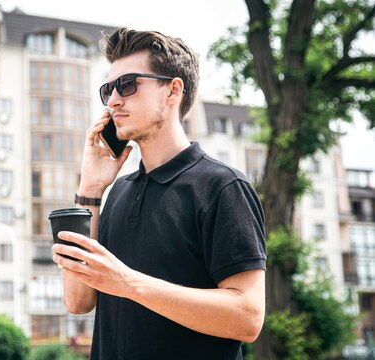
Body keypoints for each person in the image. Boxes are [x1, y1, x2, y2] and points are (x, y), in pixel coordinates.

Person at [51, 28, 266, 360]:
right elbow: (78, 302)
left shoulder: (222, 187)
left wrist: (128, 283)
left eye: (128, 84)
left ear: (172, 91)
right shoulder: (117, 192)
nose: (113, 101)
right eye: (108, 89)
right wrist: (91, 190)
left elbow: (248, 318)